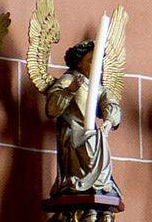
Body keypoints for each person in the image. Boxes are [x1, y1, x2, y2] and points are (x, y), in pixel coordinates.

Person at [46, 40, 123, 198]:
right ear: (79, 64)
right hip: (73, 134)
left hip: (91, 134)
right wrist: (69, 91)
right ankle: (82, 184)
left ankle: (99, 186)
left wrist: (108, 122)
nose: (98, 67)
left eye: (99, 62)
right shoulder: (69, 79)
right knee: (90, 144)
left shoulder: (98, 87)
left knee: (96, 143)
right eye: (91, 61)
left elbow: (111, 104)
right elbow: (52, 108)